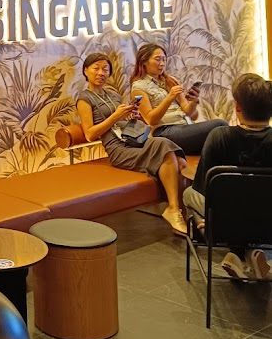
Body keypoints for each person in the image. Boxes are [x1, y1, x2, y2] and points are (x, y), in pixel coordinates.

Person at [77, 52, 187, 235]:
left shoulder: (112, 94)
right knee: (163, 145)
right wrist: (115, 116)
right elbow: (89, 134)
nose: (101, 73)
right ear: (85, 71)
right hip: (117, 148)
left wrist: (131, 117)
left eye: (105, 69)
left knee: (179, 160)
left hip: (133, 140)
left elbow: (124, 123)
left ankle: (182, 211)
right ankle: (174, 210)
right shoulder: (84, 98)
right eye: (96, 68)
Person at [183, 73, 272, 280]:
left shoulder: (219, 136)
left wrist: (208, 218)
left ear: (238, 107)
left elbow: (202, 187)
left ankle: (235, 251)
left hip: (224, 224)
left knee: (189, 193)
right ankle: (249, 253)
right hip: (268, 223)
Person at [130, 43, 227, 154]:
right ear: (144, 62)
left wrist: (194, 101)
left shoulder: (170, 81)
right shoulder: (138, 87)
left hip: (184, 126)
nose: (162, 64)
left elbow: (188, 111)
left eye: (164, 60)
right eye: (157, 59)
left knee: (219, 140)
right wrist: (170, 97)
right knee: (220, 125)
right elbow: (151, 120)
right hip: (164, 131)